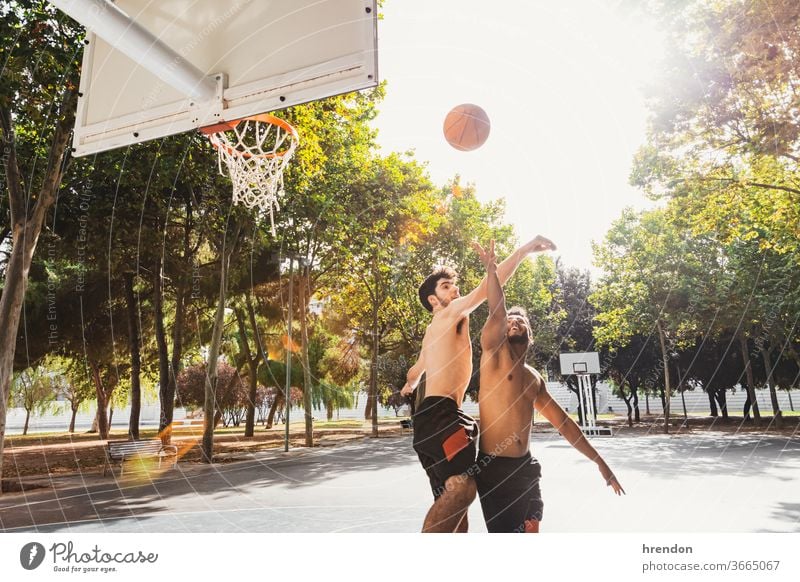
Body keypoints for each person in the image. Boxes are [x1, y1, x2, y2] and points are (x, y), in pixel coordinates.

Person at [401, 235, 556, 533]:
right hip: (441, 416)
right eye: (446, 287)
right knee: (463, 489)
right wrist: (523, 251)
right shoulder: (449, 313)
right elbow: (489, 290)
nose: (455, 290)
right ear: (434, 300)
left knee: (455, 502)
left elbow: (414, 372)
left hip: (435, 420)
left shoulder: (431, 335)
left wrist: (409, 386)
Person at [473, 240, 624, 533]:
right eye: (510, 319)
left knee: (531, 532)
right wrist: (492, 270)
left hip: (526, 469)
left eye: (521, 320)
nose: (513, 321)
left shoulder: (533, 379)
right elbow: (497, 309)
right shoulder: (493, 356)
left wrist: (600, 463)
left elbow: (564, 424)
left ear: (530, 336)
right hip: (495, 470)